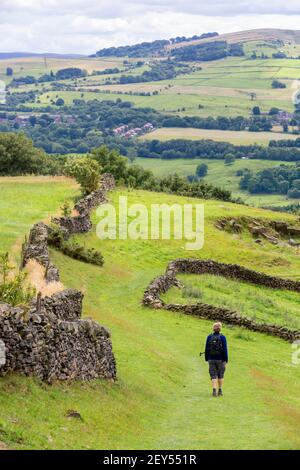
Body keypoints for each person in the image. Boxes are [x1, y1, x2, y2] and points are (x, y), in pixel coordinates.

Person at [204, 322, 228, 397]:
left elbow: (206, 348)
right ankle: (220, 390)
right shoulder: (223, 337)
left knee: (213, 375)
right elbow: (225, 349)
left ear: (213, 328)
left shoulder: (209, 337)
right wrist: (226, 360)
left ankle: (214, 390)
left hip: (211, 359)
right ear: (220, 329)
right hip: (221, 359)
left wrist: (206, 358)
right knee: (220, 375)